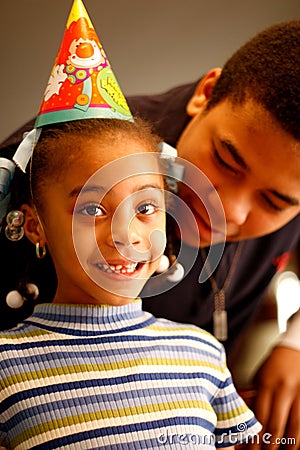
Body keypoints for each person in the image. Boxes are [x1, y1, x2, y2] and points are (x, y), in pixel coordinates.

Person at [0, 16, 299, 449]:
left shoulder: (200, 354)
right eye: (227, 161)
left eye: (274, 202)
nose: (227, 210)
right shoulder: (40, 167)